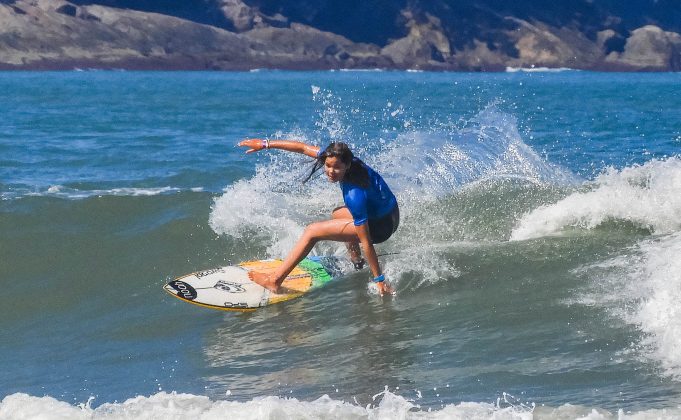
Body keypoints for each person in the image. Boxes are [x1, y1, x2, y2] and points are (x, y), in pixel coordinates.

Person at [237, 138, 399, 296]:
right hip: (391, 213)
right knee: (338, 213)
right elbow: (302, 148)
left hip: (381, 227)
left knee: (312, 231)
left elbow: (367, 242)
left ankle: (274, 280)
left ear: (347, 165)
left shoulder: (354, 194)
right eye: (327, 165)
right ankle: (357, 261)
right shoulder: (348, 159)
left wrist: (379, 279)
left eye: (336, 168)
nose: (330, 171)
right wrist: (265, 144)